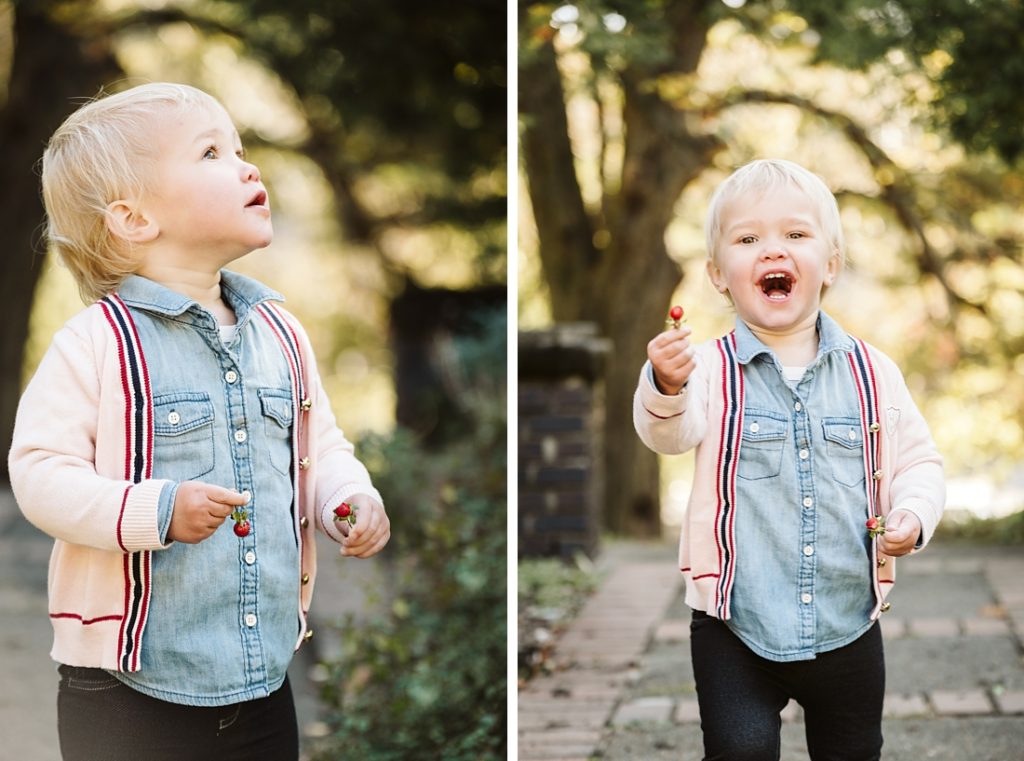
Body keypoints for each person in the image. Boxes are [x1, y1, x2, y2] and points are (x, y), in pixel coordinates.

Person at [8, 82, 391, 761]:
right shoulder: (97, 343)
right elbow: (39, 472)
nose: (248, 165)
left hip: (261, 674)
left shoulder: (281, 332)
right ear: (132, 219)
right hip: (128, 688)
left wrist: (345, 495)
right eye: (212, 152)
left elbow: (318, 444)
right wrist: (152, 510)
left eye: (241, 148)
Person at [633, 159, 944, 761]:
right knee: (740, 751)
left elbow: (919, 462)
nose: (772, 250)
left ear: (829, 265)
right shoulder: (707, 370)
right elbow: (666, 436)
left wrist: (912, 514)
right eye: (748, 239)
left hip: (847, 621)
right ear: (719, 275)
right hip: (733, 625)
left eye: (795, 235)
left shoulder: (873, 373)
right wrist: (665, 386)